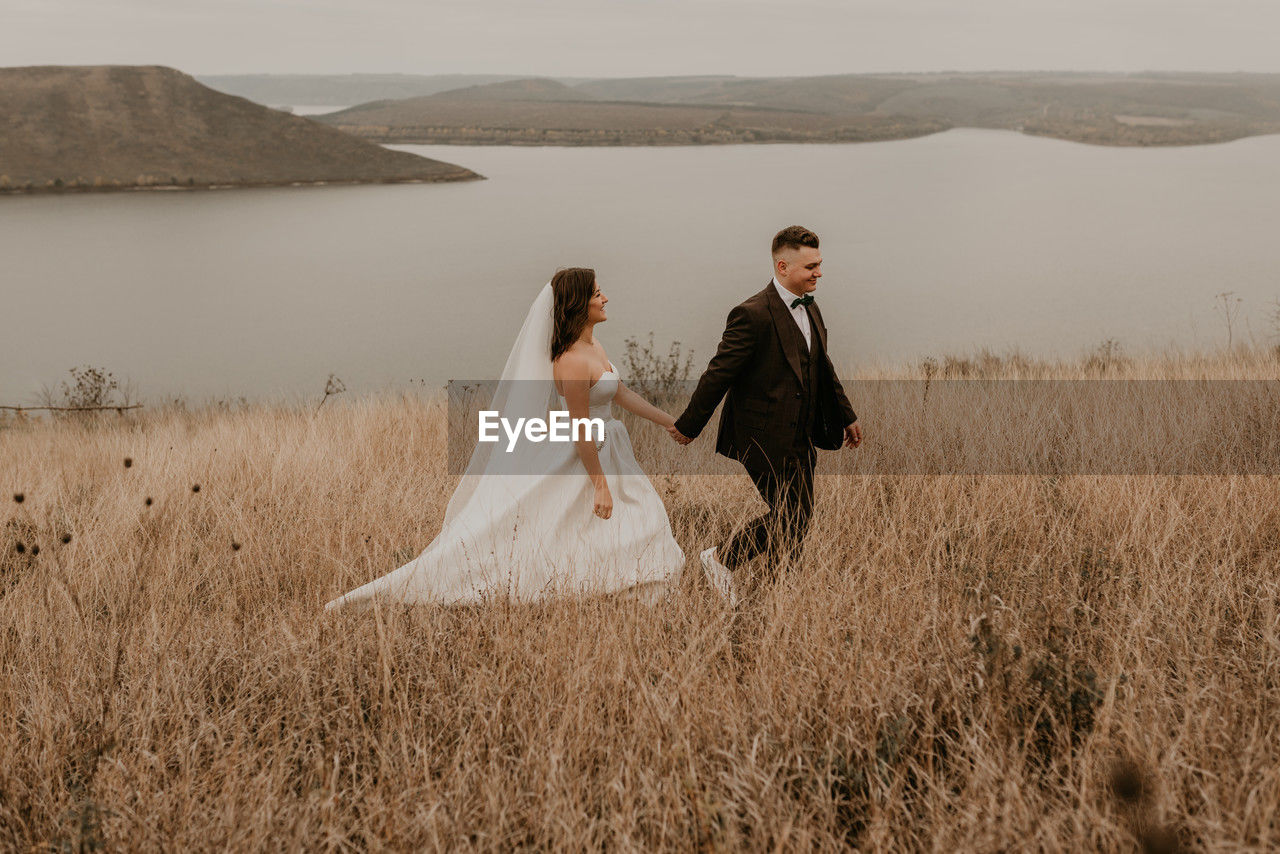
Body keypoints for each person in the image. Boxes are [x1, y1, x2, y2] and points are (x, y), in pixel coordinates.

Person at [325, 268, 684, 610]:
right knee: (568, 528)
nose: (605, 298)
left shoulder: (594, 346)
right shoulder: (571, 361)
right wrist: (600, 485)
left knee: (625, 518)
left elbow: (620, 393)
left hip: (610, 446)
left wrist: (672, 422)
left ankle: (624, 577)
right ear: (578, 304)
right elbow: (578, 427)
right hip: (585, 452)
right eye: (596, 293)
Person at [671, 226, 861, 607]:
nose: (819, 273)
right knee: (793, 513)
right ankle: (720, 559)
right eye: (811, 266)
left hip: (802, 434)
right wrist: (689, 424)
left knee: (798, 518)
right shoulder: (751, 314)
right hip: (761, 434)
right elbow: (719, 373)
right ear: (783, 265)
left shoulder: (811, 306)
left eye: (819, 264)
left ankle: (778, 593)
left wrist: (846, 415)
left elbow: (821, 365)